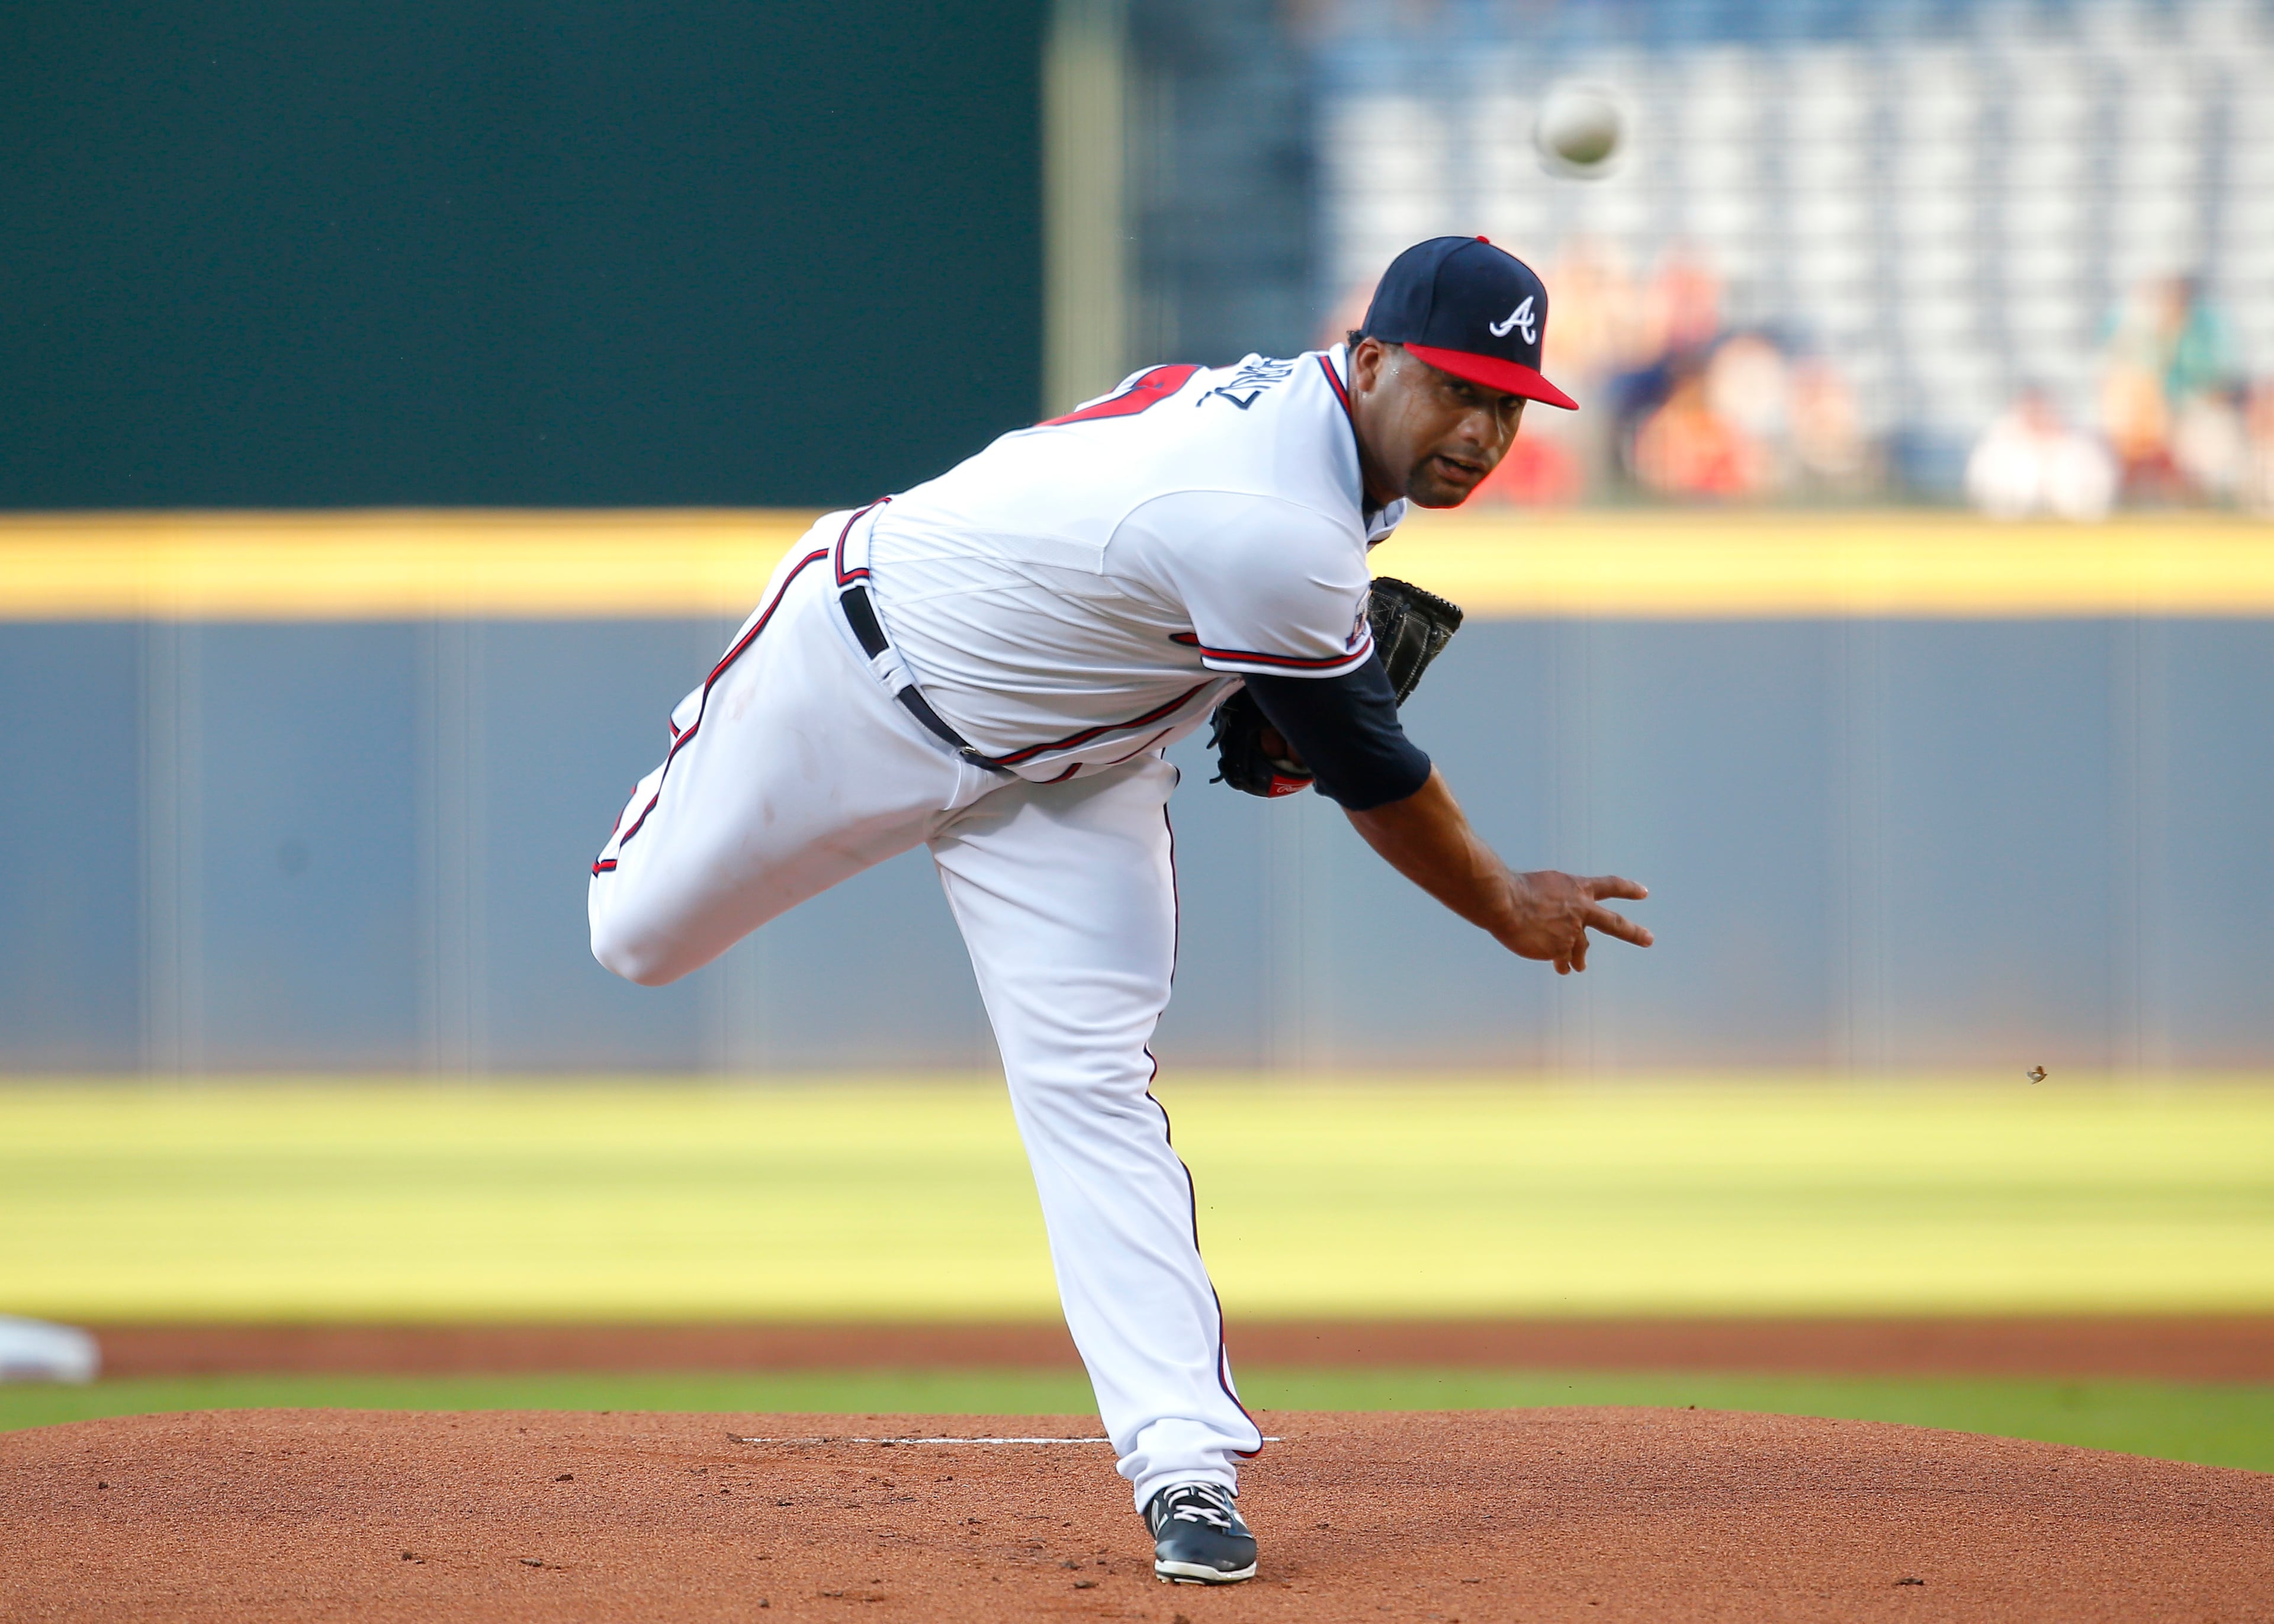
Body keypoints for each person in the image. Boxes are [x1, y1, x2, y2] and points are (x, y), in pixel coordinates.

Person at [586, 236, 1654, 1586]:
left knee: (1095, 1085)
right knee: (633, 941)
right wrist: (1506, 899)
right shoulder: (1273, 516)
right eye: (1456, 389)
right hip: (859, 671)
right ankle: (701, 748)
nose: (1483, 429)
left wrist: (1238, 686)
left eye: (1508, 404)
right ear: (1370, 359)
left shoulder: (1331, 455)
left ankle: (1183, 1463)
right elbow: (1376, 777)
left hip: (1072, 772)